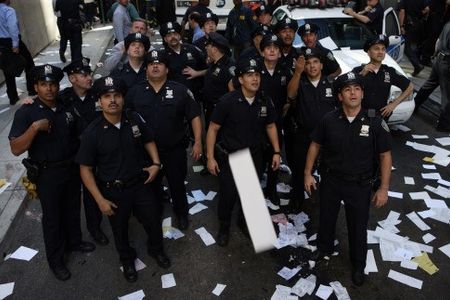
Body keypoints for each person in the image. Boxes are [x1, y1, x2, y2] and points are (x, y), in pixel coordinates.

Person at [77, 76, 170, 283]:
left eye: (117, 96)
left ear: (123, 98)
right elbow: (85, 169)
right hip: (114, 191)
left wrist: (155, 164)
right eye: (107, 97)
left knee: (153, 221)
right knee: (120, 230)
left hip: (141, 184)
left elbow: (149, 140)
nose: (113, 100)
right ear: (99, 102)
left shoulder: (134, 119)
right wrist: (100, 200)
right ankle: (127, 260)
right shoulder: (92, 133)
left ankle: (156, 250)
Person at [305, 71, 392, 286]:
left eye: (357, 89)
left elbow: (385, 156)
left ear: (362, 94)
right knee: (326, 218)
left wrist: (384, 188)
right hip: (332, 180)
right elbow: (315, 145)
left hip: (360, 184)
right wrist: (307, 173)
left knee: (357, 226)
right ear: (340, 96)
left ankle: (358, 265)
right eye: (347, 89)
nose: (352, 93)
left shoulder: (374, 122)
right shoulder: (329, 119)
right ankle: (323, 249)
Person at [9, 64, 95, 281]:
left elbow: (83, 133)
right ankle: (56, 260)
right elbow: (16, 148)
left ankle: (74, 242)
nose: (49, 89)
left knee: (73, 209)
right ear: (35, 87)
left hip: (71, 168)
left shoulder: (66, 106)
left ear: (58, 86)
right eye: (43, 85)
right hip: (47, 174)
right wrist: (34, 128)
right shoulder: (27, 112)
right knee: (53, 218)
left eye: (52, 84)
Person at [206, 58, 281, 247]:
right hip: (232, 156)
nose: (255, 79)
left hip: (255, 155)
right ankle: (224, 227)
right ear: (240, 79)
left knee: (250, 194)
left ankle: (243, 221)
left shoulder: (264, 100)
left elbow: (271, 126)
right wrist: (210, 157)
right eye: (249, 75)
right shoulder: (227, 101)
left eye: (257, 75)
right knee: (228, 196)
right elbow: (213, 129)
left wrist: (276, 151)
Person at [126, 50, 203, 230]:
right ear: (146, 68)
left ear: (166, 69)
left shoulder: (180, 90)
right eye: (151, 63)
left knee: (177, 185)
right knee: (150, 188)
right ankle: (155, 213)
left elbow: (194, 116)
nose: (155, 66)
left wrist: (198, 141)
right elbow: (126, 120)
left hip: (174, 150)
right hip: (145, 154)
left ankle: (181, 214)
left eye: (159, 63)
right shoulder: (135, 93)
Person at [60, 58, 109, 246]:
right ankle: (85, 231)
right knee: (81, 195)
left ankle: (101, 224)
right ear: (72, 78)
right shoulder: (64, 99)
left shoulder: (97, 94)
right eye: (84, 75)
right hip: (76, 155)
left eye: (89, 74)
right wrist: (29, 101)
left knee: (99, 189)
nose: (89, 78)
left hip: (100, 153)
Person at [285, 48, 337, 212]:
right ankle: (297, 199)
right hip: (304, 135)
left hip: (327, 138)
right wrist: (298, 73)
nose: (312, 66)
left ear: (321, 65)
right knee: (299, 169)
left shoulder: (331, 84)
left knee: (327, 170)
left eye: (315, 62)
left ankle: (325, 200)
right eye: (307, 63)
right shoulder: (299, 81)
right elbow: (291, 95)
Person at [258, 34, 292, 207]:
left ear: (279, 52)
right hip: (255, 123)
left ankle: (271, 189)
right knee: (256, 159)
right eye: (268, 47)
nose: (272, 50)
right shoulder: (254, 69)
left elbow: (291, 95)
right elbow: (234, 85)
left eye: (275, 48)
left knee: (274, 158)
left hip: (276, 122)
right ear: (262, 51)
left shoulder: (285, 71)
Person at [352, 35, 413, 119]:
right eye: (376, 49)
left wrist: (393, 104)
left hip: (380, 117)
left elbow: (410, 87)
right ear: (369, 52)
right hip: (359, 116)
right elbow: (346, 88)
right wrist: (362, 74)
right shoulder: (358, 70)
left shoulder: (390, 71)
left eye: (383, 49)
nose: (380, 52)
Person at [160, 21, 207, 101]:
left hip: (195, 96)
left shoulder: (192, 49)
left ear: (179, 36)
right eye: (169, 35)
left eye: (175, 34)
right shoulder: (162, 56)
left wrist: (197, 73)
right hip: (174, 98)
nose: (173, 37)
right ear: (165, 39)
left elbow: (209, 69)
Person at [0, 0, 36, 105]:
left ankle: (12, 97)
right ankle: (32, 89)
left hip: (1, 42)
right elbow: (13, 27)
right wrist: (15, 45)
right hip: (12, 41)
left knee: (7, 68)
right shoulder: (8, 10)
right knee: (29, 63)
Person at [203, 32, 235, 127]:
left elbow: (233, 92)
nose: (205, 48)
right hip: (211, 109)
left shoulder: (228, 67)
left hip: (221, 113)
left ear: (214, 49)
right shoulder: (215, 63)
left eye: (207, 46)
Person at [398, 0, 430, 76]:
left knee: (405, 46)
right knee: (409, 45)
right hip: (416, 24)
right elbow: (427, 9)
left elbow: (402, 11)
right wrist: (419, 14)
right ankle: (417, 65)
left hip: (407, 25)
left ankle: (417, 65)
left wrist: (401, 26)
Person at [430, 20, 450, 132]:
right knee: (447, 95)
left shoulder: (447, 24)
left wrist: (434, 56)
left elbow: (438, 42)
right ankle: (443, 124)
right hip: (447, 63)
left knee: (428, 85)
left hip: (439, 59)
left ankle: (416, 105)